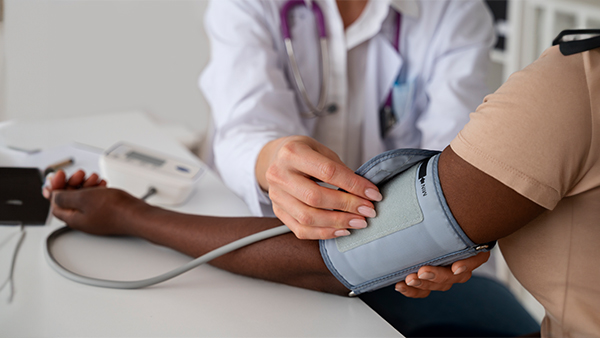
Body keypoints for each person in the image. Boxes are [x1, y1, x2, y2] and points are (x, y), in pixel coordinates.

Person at [46, 36, 600, 337]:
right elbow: (244, 123)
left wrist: (127, 214)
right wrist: (271, 160)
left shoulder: (575, 80)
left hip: (413, 269)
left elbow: (340, 256)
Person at [199, 0, 496, 239]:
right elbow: (244, 128)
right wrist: (274, 162)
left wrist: (448, 232)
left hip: (394, 247)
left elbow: (455, 161)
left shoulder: (455, 11)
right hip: (255, 229)